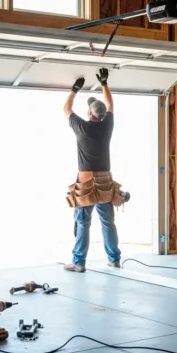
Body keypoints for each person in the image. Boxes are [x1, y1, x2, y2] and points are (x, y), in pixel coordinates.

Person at [62, 68, 122, 273]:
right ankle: (114, 260)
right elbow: (111, 105)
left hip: (86, 183)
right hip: (105, 182)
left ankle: (79, 263)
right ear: (102, 115)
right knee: (108, 223)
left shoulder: (82, 127)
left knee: (83, 222)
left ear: (89, 114)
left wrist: (74, 89)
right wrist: (104, 82)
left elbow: (66, 108)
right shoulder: (108, 125)